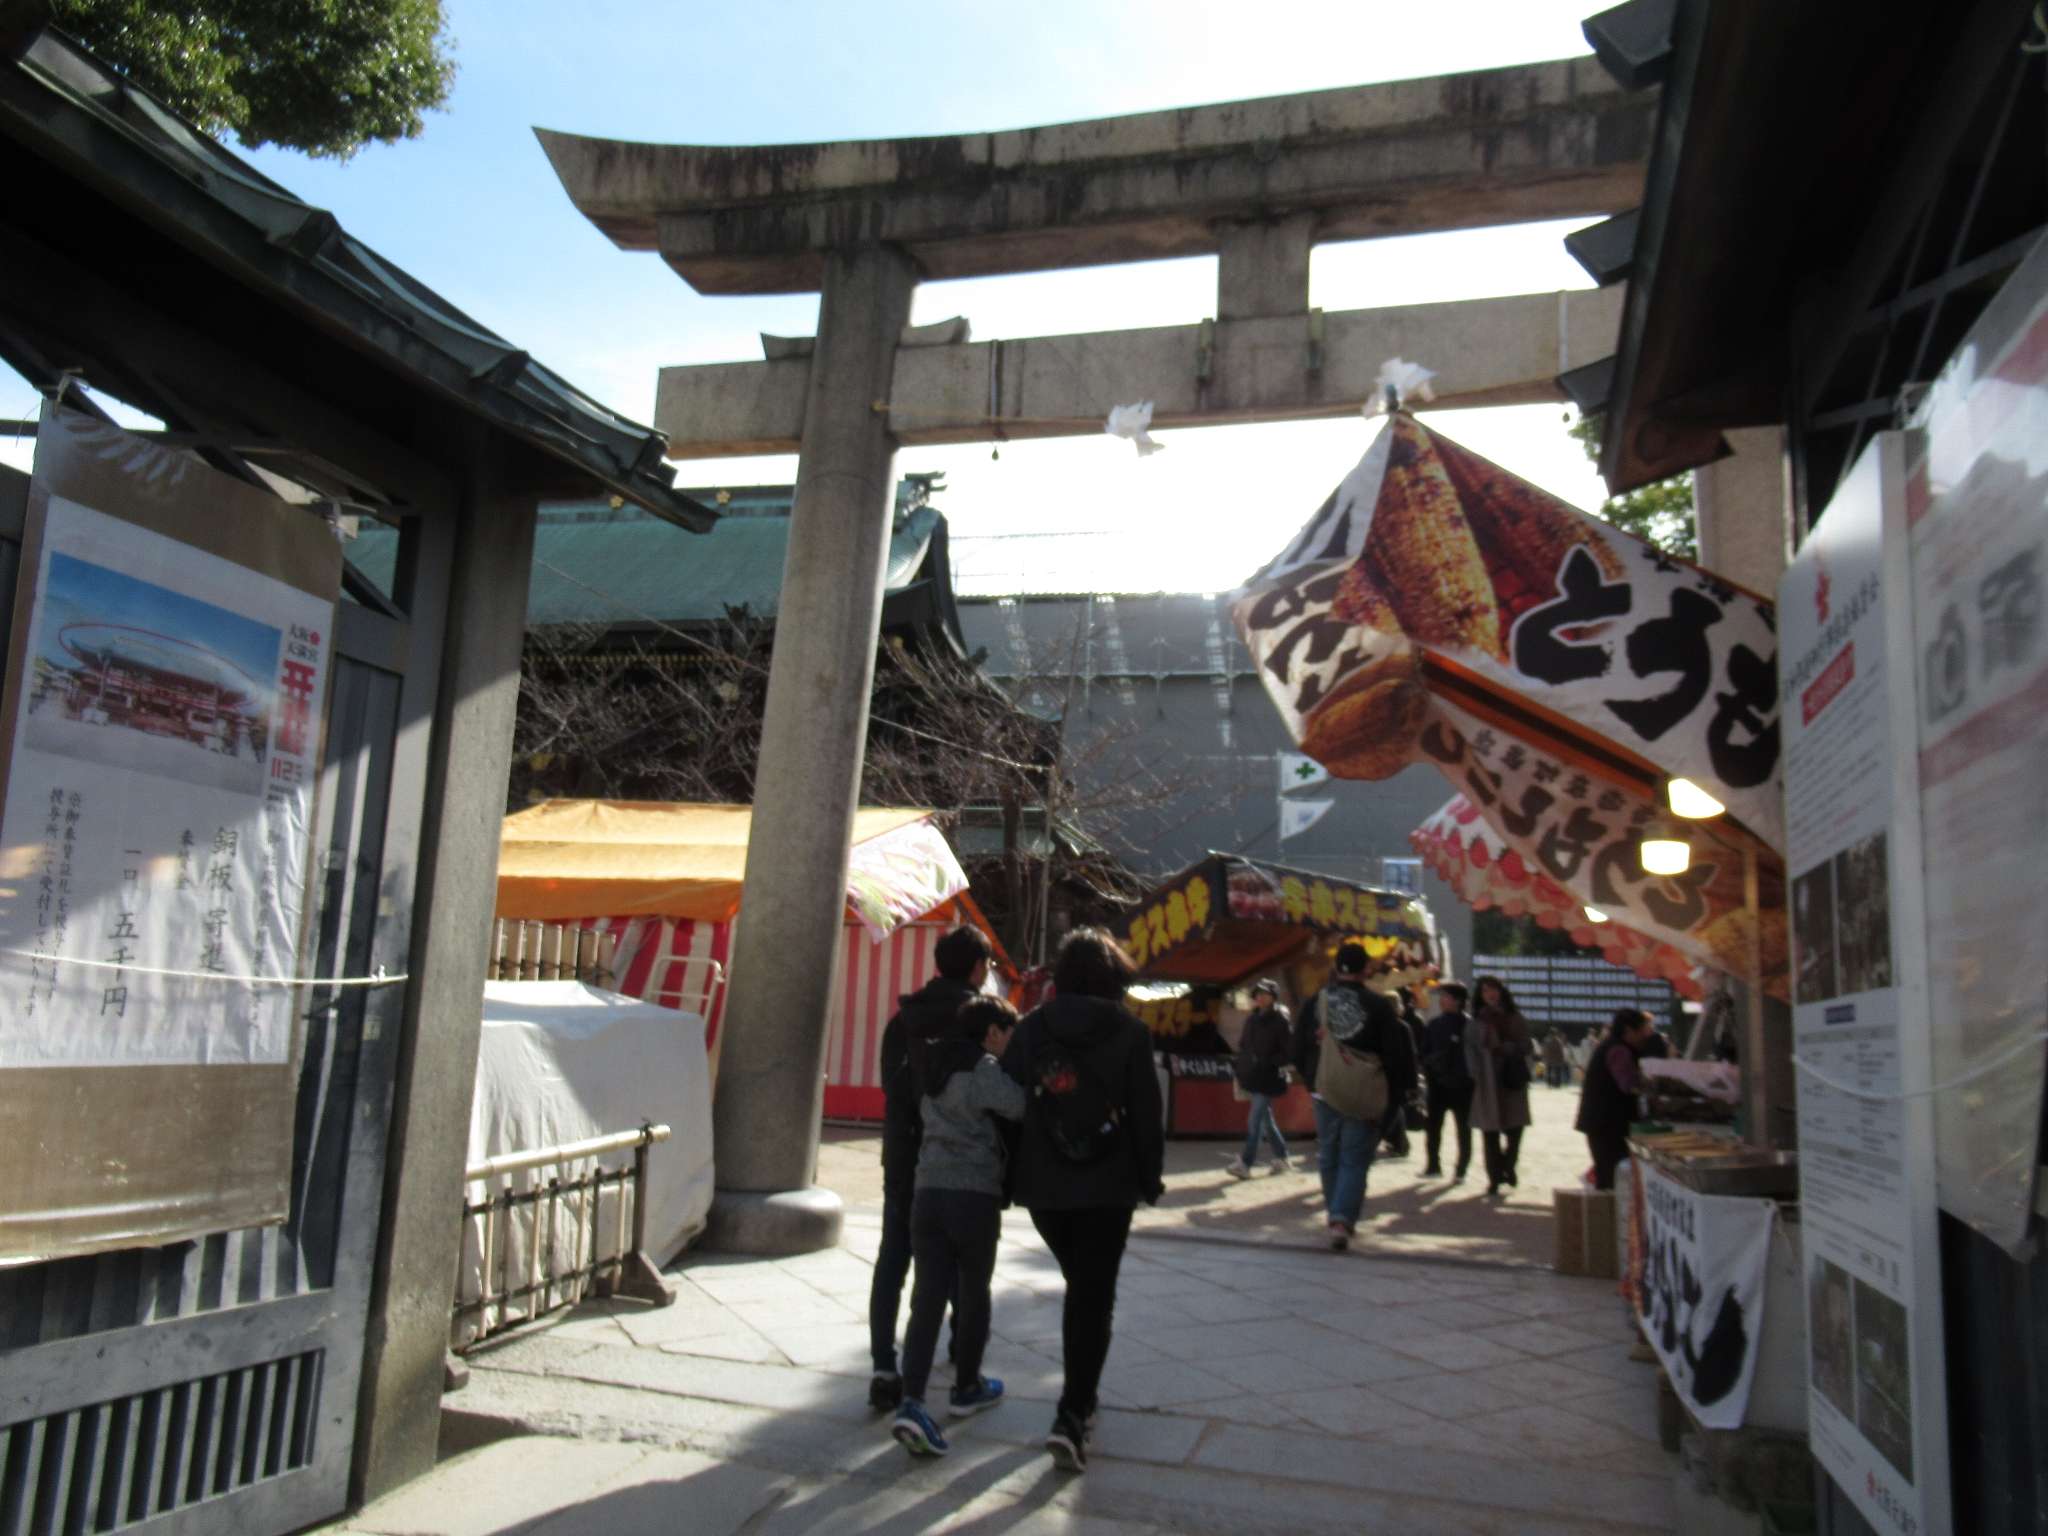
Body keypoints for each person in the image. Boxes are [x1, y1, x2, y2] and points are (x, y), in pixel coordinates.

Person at [1001, 927, 1165, 1475]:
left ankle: (1080, 1405)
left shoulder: (1030, 1029)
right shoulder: (1130, 1032)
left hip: (1044, 1185)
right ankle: (1072, 1414)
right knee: (1094, 1296)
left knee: (1083, 1287)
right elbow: (1146, 1112)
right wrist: (1150, 1178)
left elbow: (1007, 1105)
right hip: (1109, 1183)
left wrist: (1007, 1176)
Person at [890, 996, 1029, 1458]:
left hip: (927, 1191)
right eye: (1007, 1033)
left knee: (927, 1297)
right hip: (973, 1195)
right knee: (972, 1292)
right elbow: (1017, 1106)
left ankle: (911, 1400)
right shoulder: (982, 1066)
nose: (1009, 1042)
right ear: (992, 1032)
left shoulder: (931, 1066)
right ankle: (967, 1386)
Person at [868, 924, 991, 1411]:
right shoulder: (981, 1020)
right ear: (978, 967)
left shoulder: (904, 1019)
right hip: (962, 1164)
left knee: (893, 1258)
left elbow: (890, 1087)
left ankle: (883, 1366)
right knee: (963, 1263)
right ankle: (963, 1357)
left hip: (904, 1155)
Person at [1291, 942, 1416, 1251]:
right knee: (1354, 1158)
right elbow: (1395, 1054)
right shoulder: (1378, 1006)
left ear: (1336, 968)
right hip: (1364, 1090)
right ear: (1366, 970)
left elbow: (1298, 1047)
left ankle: (1334, 1212)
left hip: (1325, 1089)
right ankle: (1342, 1218)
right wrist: (1397, 1092)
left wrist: (1313, 1079)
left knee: (1328, 1154)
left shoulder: (1316, 1002)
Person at [1575, 1007, 1656, 1190]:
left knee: (1609, 1176)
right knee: (1612, 1179)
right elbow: (1628, 1084)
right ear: (1629, 1030)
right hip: (1608, 1125)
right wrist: (1650, 1084)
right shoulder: (1619, 1050)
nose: (1645, 1035)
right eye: (1642, 1030)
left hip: (1602, 1122)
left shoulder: (1611, 1045)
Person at [1469, 974, 1533, 1199]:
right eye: (1485, 990)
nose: (1490, 994)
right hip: (1487, 1082)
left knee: (1515, 1130)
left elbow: (1527, 1045)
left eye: (1494, 989)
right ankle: (1494, 1178)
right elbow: (1470, 1050)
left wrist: (1511, 1048)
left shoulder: (1515, 1017)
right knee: (1490, 1133)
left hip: (1511, 1080)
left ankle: (1509, 1164)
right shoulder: (1476, 1021)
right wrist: (1475, 1073)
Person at [1226, 979, 1293, 1178]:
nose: (1260, 997)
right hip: (1253, 1076)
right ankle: (1282, 1158)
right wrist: (1242, 1066)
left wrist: (1267, 1062)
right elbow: (1244, 1046)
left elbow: (1288, 1053)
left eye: (1265, 994)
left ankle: (1245, 1163)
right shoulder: (1252, 1019)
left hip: (1269, 1078)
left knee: (1254, 1121)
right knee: (1266, 1120)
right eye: (1258, 994)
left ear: (1273, 997)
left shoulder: (1281, 1020)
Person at [1420, 982, 1474, 1180]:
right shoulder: (1435, 1024)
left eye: (1446, 996)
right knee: (1433, 1127)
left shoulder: (1470, 1026)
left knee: (1463, 1130)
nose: (1441, 1000)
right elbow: (1424, 1051)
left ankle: (1461, 1169)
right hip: (1438, 1083)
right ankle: (1433, 1165)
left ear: (1458, 1001)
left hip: (1462, 1085)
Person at [1378, 985, 1427, 1158]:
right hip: (1398, 1079)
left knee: (1390, 1112)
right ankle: (1400, 1143)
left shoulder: (1376, 1026)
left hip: (1381, 1078)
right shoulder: (1403, 1027)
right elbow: (1411, 1058)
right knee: (1394, 1110)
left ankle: (1394, 1143)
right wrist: (1412, 1085)